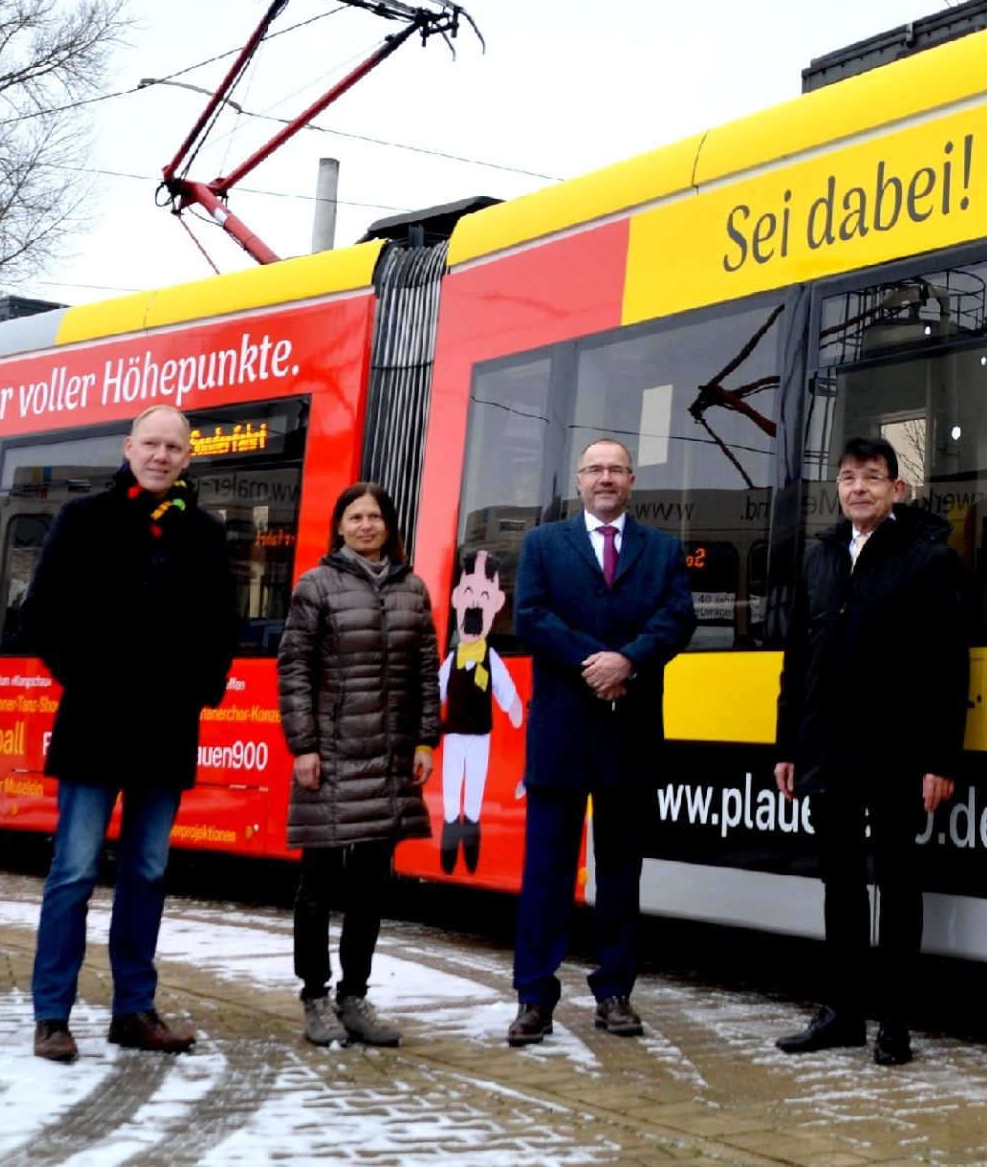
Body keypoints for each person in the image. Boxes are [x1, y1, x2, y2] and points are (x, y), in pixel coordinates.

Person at [25, 403, 241, 1062]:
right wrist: (85, 678)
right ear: (129, 447)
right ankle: (53, 1015)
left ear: (187, 457)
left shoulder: (204, 532)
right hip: (94, 723)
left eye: (174, 446)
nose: (161, 454)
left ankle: (133, 1010)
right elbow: (42, 614)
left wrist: (198, 692)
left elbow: (221, 629)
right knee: (74, 872)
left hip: (165, 729)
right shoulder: (83, 518)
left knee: (147, 872)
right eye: (151, 442)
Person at [772, 435, 968, 1067]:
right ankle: (843, 1013)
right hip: (827, 750)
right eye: (849, 477)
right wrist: (788, 747)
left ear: (896, 490)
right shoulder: (819, 559)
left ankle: (895, 1022)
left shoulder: (927, 559)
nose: (858, 488)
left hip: (898, 753)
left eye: (872, 478)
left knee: (898, 884)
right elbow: (797, 661)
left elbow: (947, 667)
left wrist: (941, 760)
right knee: (840, 885)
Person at [505, 437, 695, 1045]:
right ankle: (534, 998)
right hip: (562, 736)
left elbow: (677, 617)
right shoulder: (542, 544)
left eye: (616, 469)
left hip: (629, 735)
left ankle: (615, 991)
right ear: (579, 481)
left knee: (620, 874)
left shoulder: (663, 549)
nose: (605, 478)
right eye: (595, 470)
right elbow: (530, 616)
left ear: (632, 481)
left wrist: (631, 661)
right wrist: (598, 661)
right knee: (547, 875)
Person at [277, 481, 440, 1048]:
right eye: (356, 517)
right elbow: (294, 669)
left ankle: (354, 996)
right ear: (339, 526)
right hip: (331, 756)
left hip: (389, 758)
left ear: (389, 526)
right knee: (319, 881)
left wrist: (425, 741)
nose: (367, 525)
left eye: (376, 517)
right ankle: (314, 996)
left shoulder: (413, 589)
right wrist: (304, 746)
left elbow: (426, 672)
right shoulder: (315, 586)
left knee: (371, 884)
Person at [438, 550, 525, 876]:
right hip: (455, 733)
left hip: (481, 735)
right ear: (458, 599)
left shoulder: (491, 658)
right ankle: (449, 836)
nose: (474, 605)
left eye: (483, 597)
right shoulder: (454, 658)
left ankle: (470, 841)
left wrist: (516, 708)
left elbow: (506, 692)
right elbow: (438, 689)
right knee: (451, 785)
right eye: (470, 595)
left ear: (496, 603)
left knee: (473, 788)